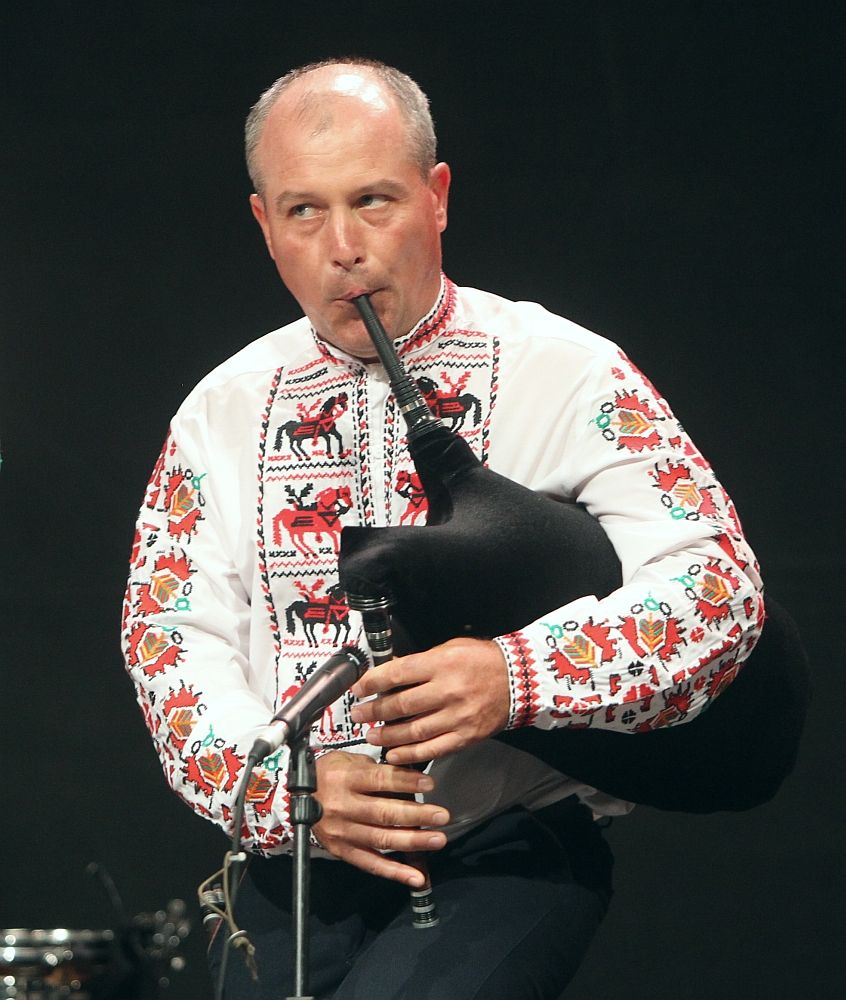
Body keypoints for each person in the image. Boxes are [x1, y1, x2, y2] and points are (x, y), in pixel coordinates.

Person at [122, 58, 763, 998]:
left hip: (505, 849)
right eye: (304, 211)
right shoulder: (219, 411)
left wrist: (516, 675)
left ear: (438, 197)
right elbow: (168, 637)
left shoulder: (567, 371)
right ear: (264, 224)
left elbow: (717, 587)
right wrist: (277, 790)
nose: (344, 247)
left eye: (373, 201)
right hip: (298, 853)